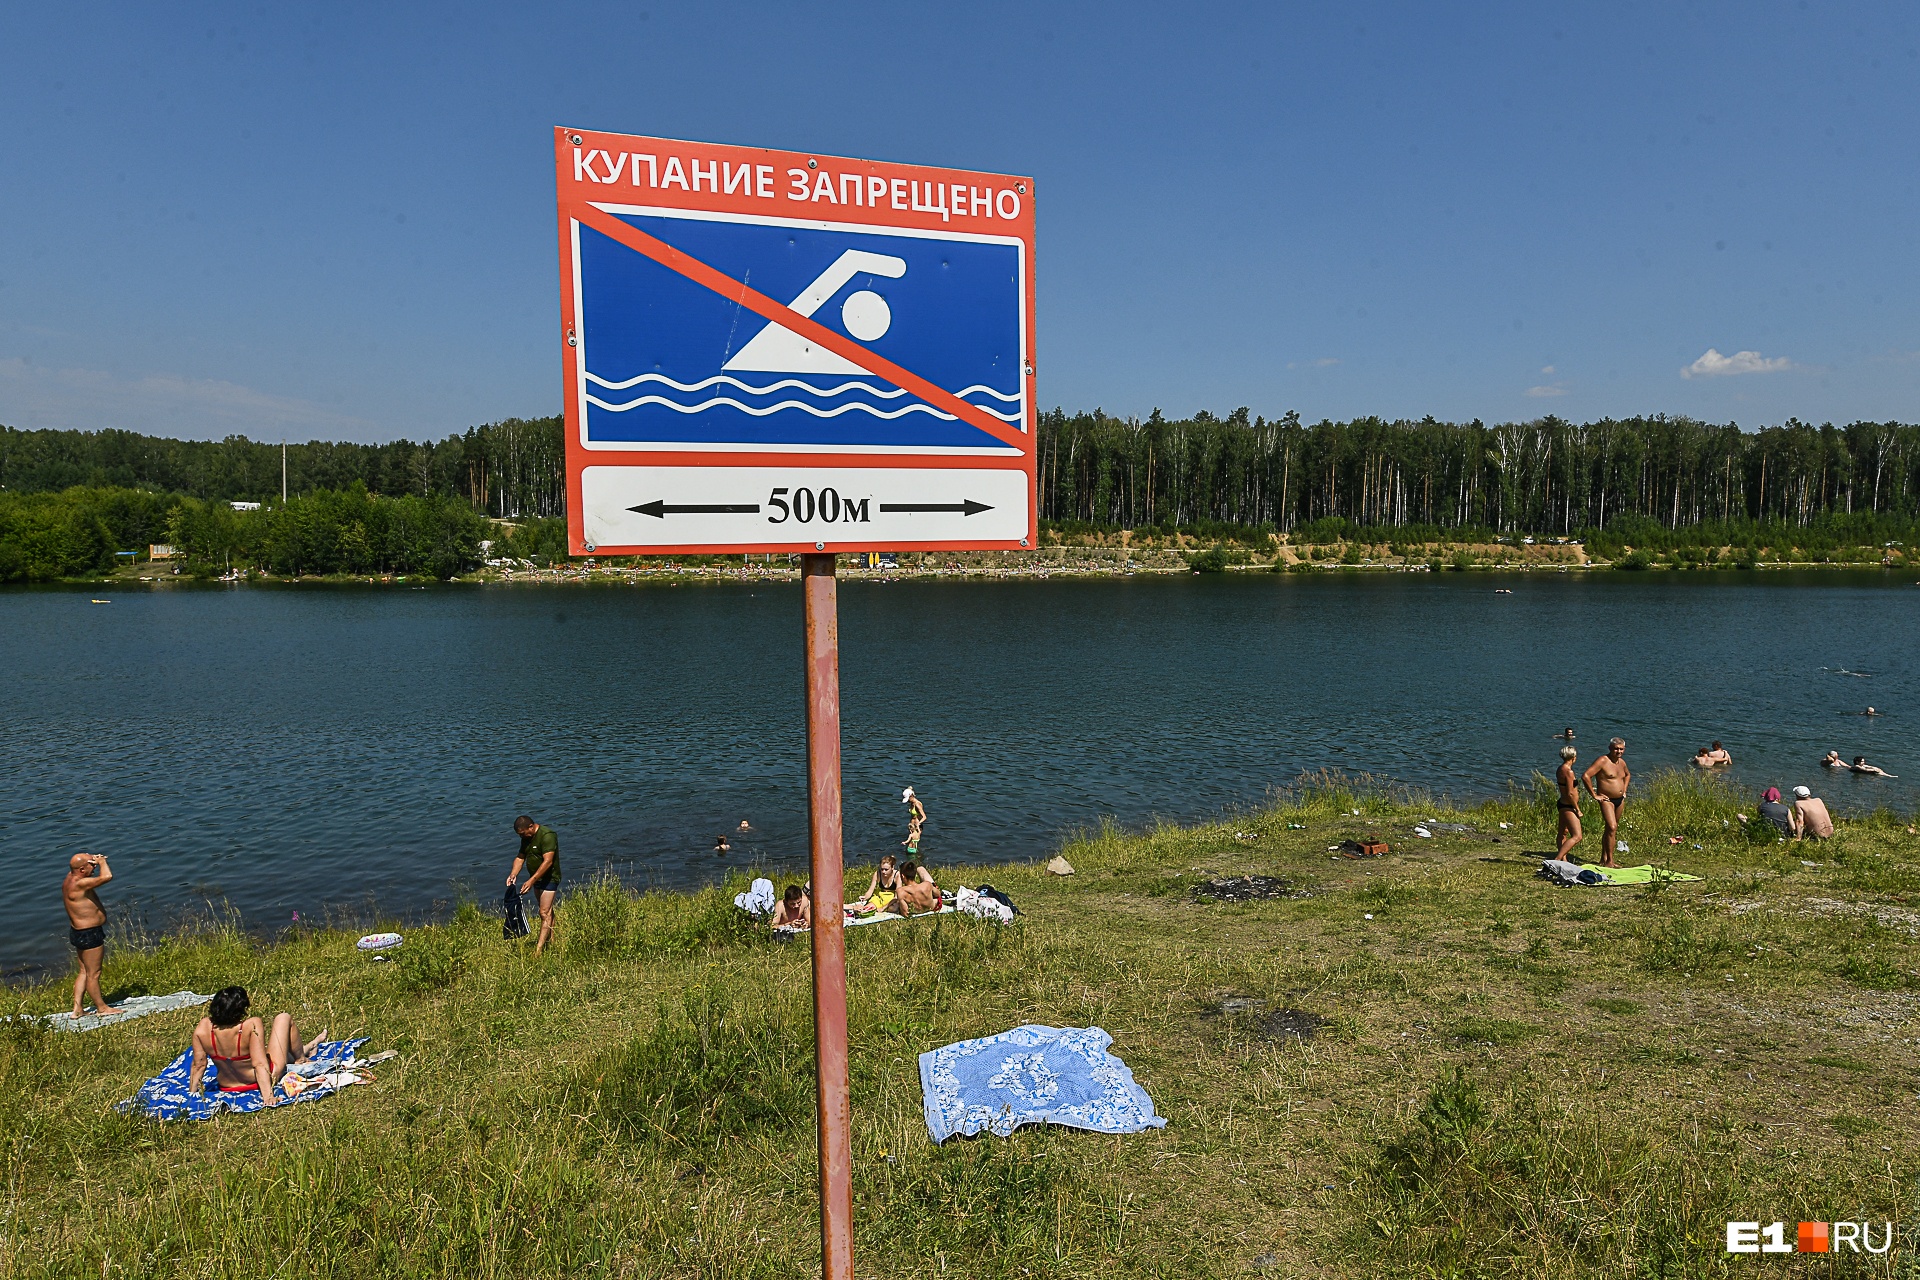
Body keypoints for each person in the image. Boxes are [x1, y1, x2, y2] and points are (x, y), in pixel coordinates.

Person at [187, 985, 317, 1102]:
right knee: (283, 1018)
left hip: (227, 1086)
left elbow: (198, 1065)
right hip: (258, 1080)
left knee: (279, 1054)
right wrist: (268, 1096)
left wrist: (191, 1094)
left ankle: (307, 1047)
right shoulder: (250, 1025)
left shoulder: (203, 1028)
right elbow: (259, 1063)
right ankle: (301, 1059)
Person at [62, 852, 121, 1018]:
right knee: (93, 974)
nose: (94, 866)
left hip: (79, 932)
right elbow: (107, 876)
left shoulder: (71, 878)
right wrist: (102, 862)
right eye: (91, 865)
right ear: (81, 869)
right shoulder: (80, 884)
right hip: (89, 933)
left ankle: (77, 1009)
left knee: (83, 971)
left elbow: (78, 864)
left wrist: (90, 858)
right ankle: (102, 1008)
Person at [507, 815, 561, 955]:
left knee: (543, 912)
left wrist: (531, 881)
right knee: (547, 911)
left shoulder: (547, 836)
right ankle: (552, 942)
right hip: (536, 878)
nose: (521, 837)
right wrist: (513, 874)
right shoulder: (526, 839)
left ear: (531, 827)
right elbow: (520, 858)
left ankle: (538, 950)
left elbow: (548, 861)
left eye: (522, 833)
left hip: (549, 878)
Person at [1581, 739, 1631, 868]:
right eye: (1616, 748)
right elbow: (1586, 776)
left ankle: (1604, 858)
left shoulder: (1622, 762)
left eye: (1621, 749)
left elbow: (1627, 775)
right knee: (1612, 827)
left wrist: (1624, 790)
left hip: (1619, 800)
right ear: (1610, 748)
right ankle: (1610, 861)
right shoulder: (1603, 760)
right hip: (1606, 800)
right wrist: (1594, 795)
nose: (1618, 751)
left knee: (1611, 830)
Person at [1554, 746, 1584, 860]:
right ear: (1573, 757)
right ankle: (1558, 859)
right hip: (1569, 805)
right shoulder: (1569, 772)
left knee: (1563, 833)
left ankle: (1563, 860)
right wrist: (1577, 809)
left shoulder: (1560, 769)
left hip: (1562, 803)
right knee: (1577, 836)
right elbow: (1571, 793)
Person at [901, 787, 927, 854]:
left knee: (913, 844)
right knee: (910, 842)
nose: (908, 801)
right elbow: (910, 788)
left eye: (908, 799)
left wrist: (918, 824)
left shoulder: (917, 804)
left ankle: (916, 858)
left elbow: (924, 817)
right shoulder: (911, 802)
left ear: (911, 796)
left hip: (917, 825)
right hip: (912, 825)